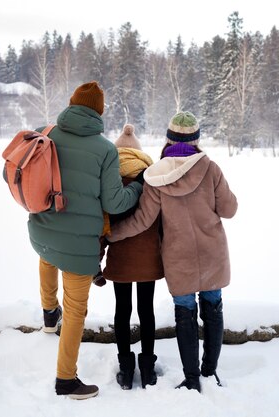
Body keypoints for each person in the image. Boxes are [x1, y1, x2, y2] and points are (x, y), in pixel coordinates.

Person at [106, 111, 238, 393]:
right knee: (212, 309)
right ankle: (209, 371)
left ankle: (192, 379)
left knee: (185, 313)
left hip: (179, 259)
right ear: (196, 140)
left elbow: (143, 220)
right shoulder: (211, 168)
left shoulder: (157, 176)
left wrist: (111, 235)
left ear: (168, 139)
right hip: (213, 253)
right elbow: (230, 209)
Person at [28, 81, 143, 400]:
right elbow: (114, 203)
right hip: (79, 247)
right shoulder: (105, 149)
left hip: (42, 228)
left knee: (48, 256)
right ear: (99, 112)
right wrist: (138, 187)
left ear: (72, 104)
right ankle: (66, 380)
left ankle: (49, 314)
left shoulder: (46, 132)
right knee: (76, 309)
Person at [99, 124, 165, 390]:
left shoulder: (108, 179)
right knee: (146, 310)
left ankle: (126, 370)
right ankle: (147, 369)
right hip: (149, 257)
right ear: (139, 155)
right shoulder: (151, 180)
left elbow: (102, 221)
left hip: (121, 258)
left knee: (122, 310)